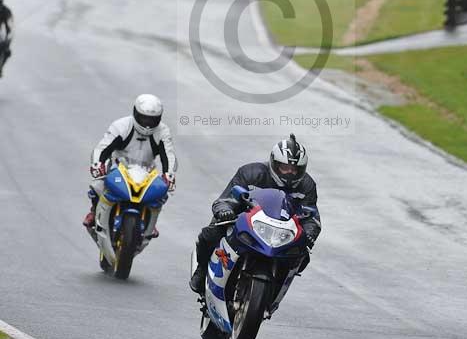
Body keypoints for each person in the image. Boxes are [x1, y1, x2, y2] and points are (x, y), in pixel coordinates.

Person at [189, 133, 321, 294]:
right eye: (284, 167)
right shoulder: (250, 172)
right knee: (210, 234)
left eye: (294, 170)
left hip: (282, 231)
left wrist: (310, 233)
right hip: (246, 221)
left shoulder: (307, 185)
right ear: (274, 162)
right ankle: (202, 270)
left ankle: (275, 290)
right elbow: (225, 198)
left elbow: (312, 216)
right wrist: (225, 211)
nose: (289, 173)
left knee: (303, 255)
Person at [83, 94, 177, 233]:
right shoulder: (121, 126)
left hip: (147, 170)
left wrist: (169, 174)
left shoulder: (162, 131)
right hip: (119, 166)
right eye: (144, 118)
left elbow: (168, 154)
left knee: (163, 191)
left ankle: (150, 218)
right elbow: (103, 147)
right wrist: (98, 164)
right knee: (99, 183)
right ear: (135, 113)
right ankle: (94, 210)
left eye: (152, 120)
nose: (147, 124)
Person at [0, 0, 14, 77]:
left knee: (7, 52)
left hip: (1, 33)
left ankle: (0, 67)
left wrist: (8, 40)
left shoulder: (6, 11)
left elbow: (11, 26)